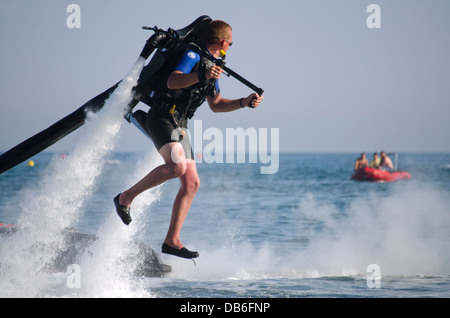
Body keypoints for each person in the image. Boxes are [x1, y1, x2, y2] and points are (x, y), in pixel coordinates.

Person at [113, 20, 263, 259]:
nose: (230, 47)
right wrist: (201, 74)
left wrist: (244, 102)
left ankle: (172, 241)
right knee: (176, 167)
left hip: (179, 125)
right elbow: (174, 80)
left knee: (191, 183)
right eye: (230, 43)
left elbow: (216, 105)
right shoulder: (192, 55)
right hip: (162, 117)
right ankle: (125, 197)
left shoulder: (213, 65)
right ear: (224, 42)